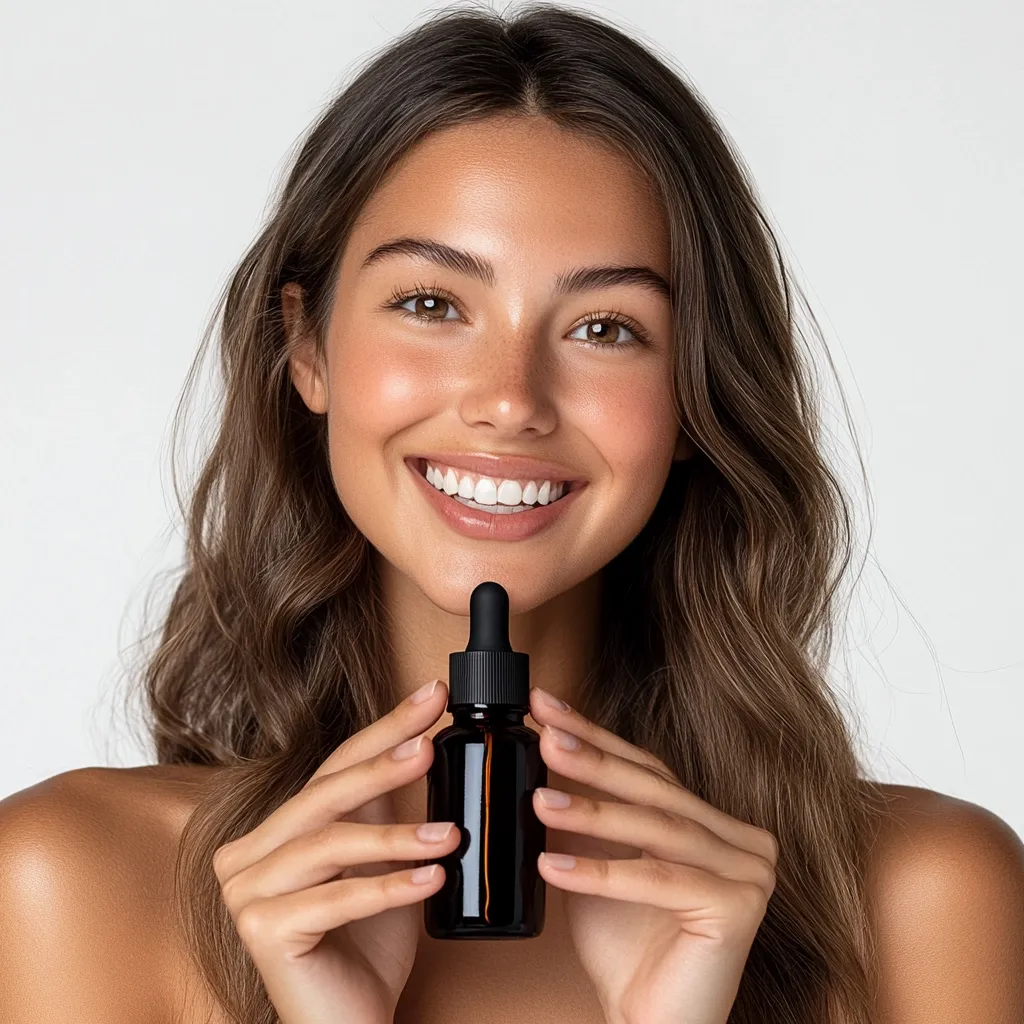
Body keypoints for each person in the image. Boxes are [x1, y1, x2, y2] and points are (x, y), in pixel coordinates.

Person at [1, 4, 1021, 1023]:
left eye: (605, 326)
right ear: (305, 346)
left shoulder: (923, 901)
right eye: (433, 304)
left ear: (692, 400)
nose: (508, 398)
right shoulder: (76, 887)